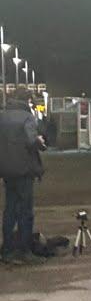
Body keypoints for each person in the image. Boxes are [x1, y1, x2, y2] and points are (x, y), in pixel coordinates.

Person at [0, 88, 47, 265]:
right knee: (26, 211)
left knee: (9, 209)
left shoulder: (2, 116)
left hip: (6, 171)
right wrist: (40, 143)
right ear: (27, 100)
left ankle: (7, 250)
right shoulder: (27, 117)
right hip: (24, 170)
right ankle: (25, 250)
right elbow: (31, 140)